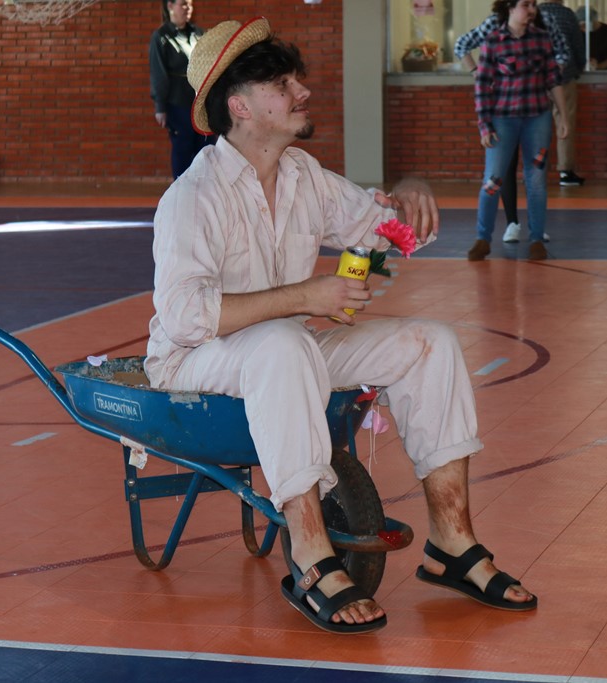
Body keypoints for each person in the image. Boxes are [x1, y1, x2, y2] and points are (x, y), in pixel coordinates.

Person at [146, 16, 538, 634]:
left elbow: (389, 232)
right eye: (283, 84)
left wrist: (409, 192)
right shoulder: (193, 196)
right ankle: (309, 553)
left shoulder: (303, 176)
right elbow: (185, 317)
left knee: (430, 343)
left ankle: (452, 543)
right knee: (282, 342)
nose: (302, 92)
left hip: (285, 354)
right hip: (193, 363)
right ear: (240, 106)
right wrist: (307, 295)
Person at [468, 0, 569, 262]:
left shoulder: (542, 39)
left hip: (538, 119)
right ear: (511, 8)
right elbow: (482, 86)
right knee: (493, 179)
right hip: (502, 120)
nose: (532, 10)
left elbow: (553, 79)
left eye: (533, 4)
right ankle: (483, 238)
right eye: (526, 4)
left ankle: (537, 240)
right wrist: (484, 125)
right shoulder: (493, 41)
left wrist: (563, 116)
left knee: (536, 180)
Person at [149, 0, 213, 179]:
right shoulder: (161, 37)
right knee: (183, 148)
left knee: (206, 147)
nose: (188, 9)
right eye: (183, 4)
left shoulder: (199, 33)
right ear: (170, 6)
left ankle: (205, 191)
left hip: (201, 103)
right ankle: (182, 189)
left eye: (190, 5)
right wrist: (160, 107)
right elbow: (158, 74)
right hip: (177, 103)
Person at [539, 0, 587, 186]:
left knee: (537, 126)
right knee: (565, 124)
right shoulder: (567, 15)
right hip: (564, 76)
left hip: (537, 79)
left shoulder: (534, 14)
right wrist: (579, 68)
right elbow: (578, 46)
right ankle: (565, 171)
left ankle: (537, 169)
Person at [576, 6, 607, 70]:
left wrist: (598, 66)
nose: (581, 28)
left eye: (584, 25)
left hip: (605, 73)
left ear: (593, 21)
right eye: (580, 26)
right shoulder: (578, 33)